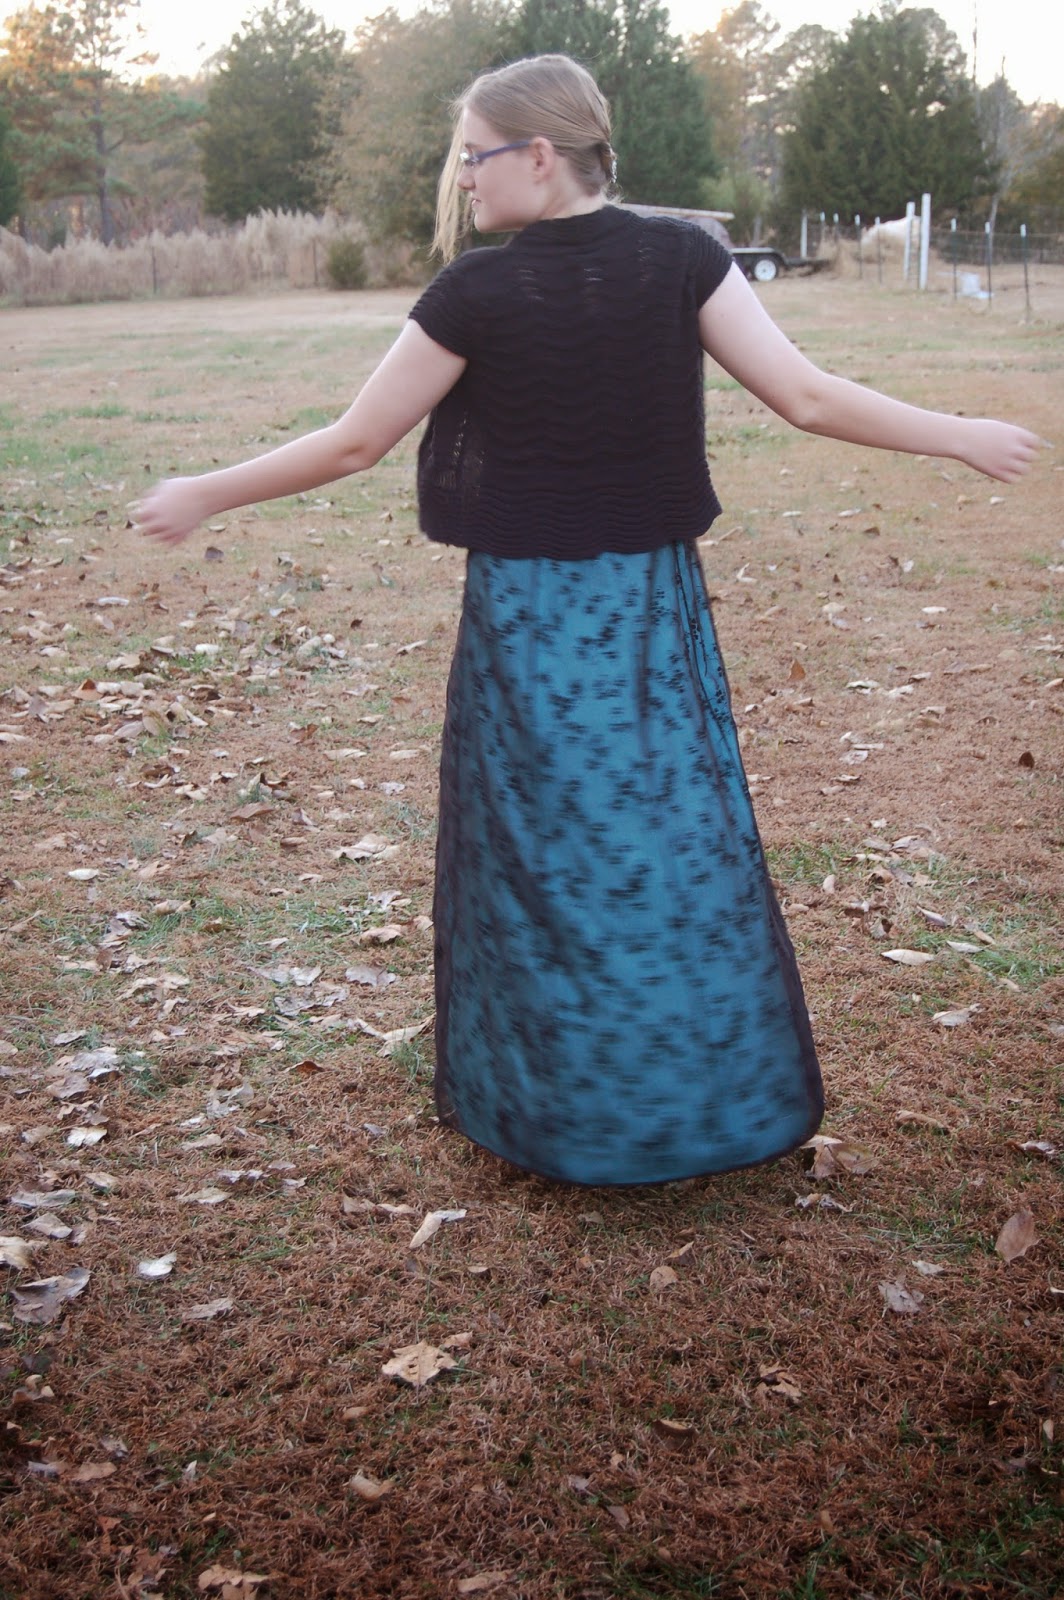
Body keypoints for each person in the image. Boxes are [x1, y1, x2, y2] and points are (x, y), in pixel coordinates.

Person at [135, 54, 1040, 1188]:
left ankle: (577, 1111)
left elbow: (357, 441)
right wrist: (956, 433)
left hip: (535, 622)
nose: (463, 180)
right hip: (647, 606)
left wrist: (204, 491)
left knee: (545, 858)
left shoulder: (481, 291)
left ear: (539, 155)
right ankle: (659, 1101)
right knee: (665, 844)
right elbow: (804, 397)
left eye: (473, 157)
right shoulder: (675, 259)